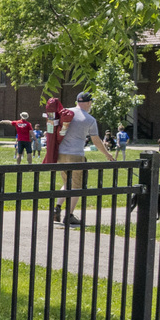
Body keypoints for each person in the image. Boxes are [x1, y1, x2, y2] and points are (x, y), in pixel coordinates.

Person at [52, 91, 115, 227]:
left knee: (66, 182)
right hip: (76, 155)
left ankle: (57, 207)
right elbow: (96, 140)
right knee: (76, 186)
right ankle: (69, 216)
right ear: (88, 103)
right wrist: (107, 154)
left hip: (61, 154)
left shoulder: (66, 112)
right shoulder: (90, 119)